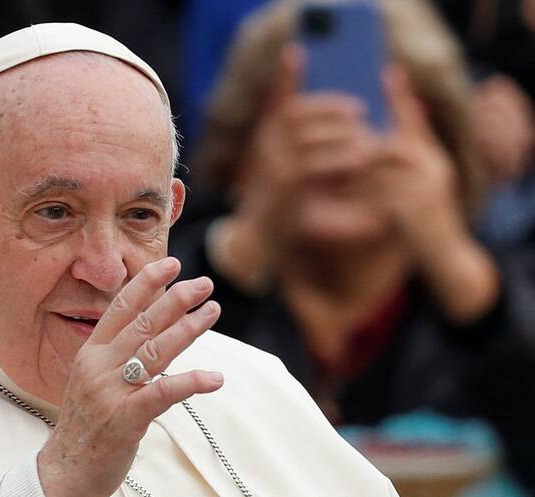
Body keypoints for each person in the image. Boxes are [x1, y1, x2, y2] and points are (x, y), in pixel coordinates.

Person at [0, 23, 399, 497]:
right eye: (55, 212)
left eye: (139, 217)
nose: (105, 270)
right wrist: (57, 481)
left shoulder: (249, 382)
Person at [170, 0, 535, 492]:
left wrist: (461, 272)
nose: (342, 148)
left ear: (445, 149)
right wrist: (243, 250)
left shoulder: (502, 296)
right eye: (302, 112)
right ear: (241, 148)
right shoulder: (157, 284)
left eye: (375, 113)